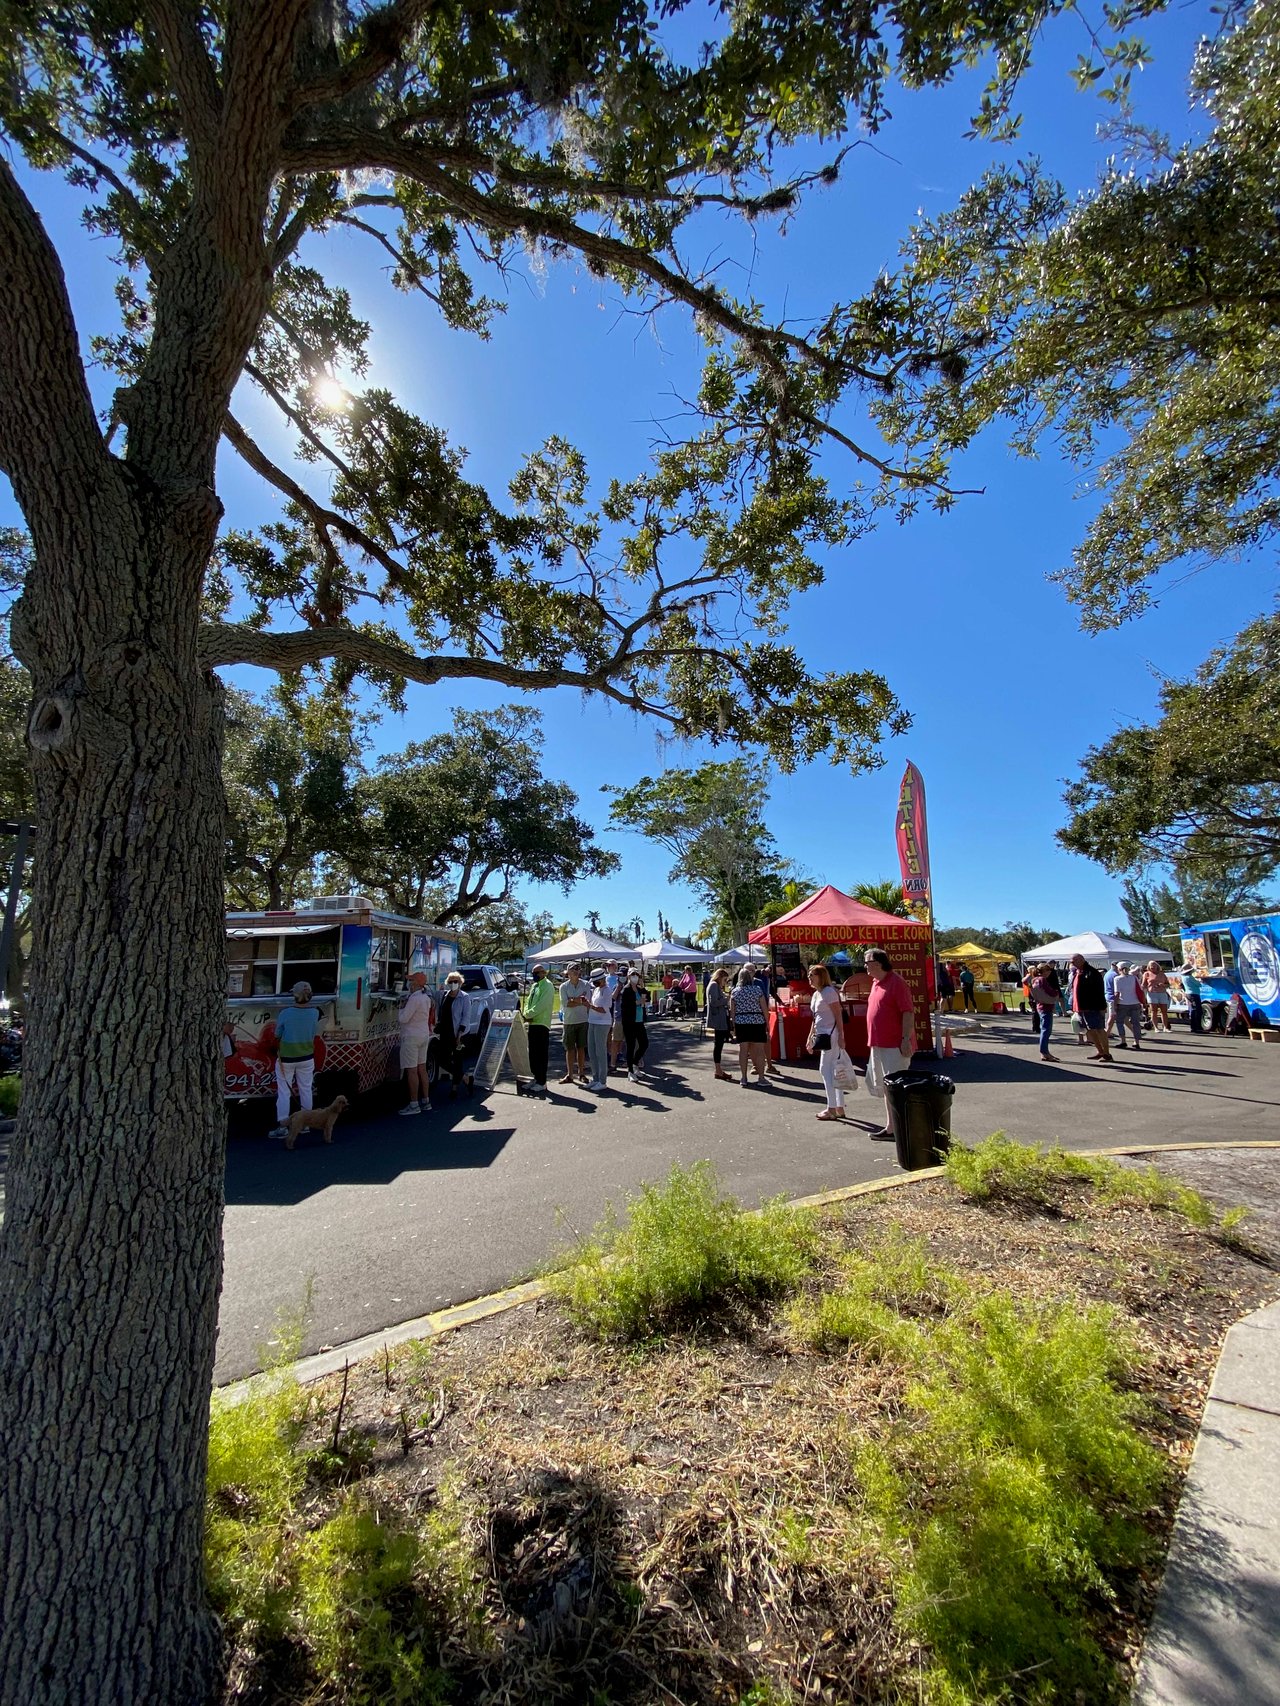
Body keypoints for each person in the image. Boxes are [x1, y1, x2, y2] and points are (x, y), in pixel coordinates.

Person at [863, 949, 916, 1140]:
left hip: (895, 1045)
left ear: (878, 963)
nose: (865, 966)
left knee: (897, 1086)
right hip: (878, 1044)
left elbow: (908, 1012)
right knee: (886, 1086)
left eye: (867, 962)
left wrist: (905, 1039)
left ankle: (903, 1128)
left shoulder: (897, 983)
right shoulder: (876, 983)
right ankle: (892, 1128)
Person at [268, 981, 323, 1138]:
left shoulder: (285, 1013)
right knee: (306, 1089)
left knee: (284, 1092)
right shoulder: (314, 1013)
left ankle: (283, 1126)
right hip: (307, 1056)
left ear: (294, 995)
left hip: (286, 1058)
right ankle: (305, 1123)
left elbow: (277, 1035)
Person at [808, 963, 846, 1121]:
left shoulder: (829, 992)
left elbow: (838, 1014)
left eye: (813, 975)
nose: (809, 977)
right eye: (809, 974)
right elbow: (815, 1017)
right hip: (822, 1033)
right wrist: (810, 1037)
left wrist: (842, 1035)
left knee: (826, 1069)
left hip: (831, 1033)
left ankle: (832, 1107)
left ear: (821, 976)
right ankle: (839, 1106)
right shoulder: (817, 994)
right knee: (833, 1069)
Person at [397, 970, 435, 1116]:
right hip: (423, 1034)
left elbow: (404, 1019)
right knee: (422, 1069)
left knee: (411, 1071)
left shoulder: (414, 999)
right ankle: (426, 1101)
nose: (409, 983)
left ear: (415, 983)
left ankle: (414, 1104)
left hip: (411, 1036)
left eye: (411, 980)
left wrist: (400, 1008)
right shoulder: (425, 997)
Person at [728, 965, 770, 1086]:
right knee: (760, 1050)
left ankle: (744, 1078)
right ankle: (761, 1078)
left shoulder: (735, 992)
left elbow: (732, 1011)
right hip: (757, 1021)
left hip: (741, 1022)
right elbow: (764, 1008)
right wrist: (767, 1023)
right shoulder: (757, 990)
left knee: (743, 1050)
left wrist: (734, 1026)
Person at [437, 971, 474, 1097]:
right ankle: (465, 1078)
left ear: (460, 983)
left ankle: (454, 1088)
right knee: (443, 1060)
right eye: (451, 981)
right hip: (445, 1032)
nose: (453, 984)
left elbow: (466, 1016)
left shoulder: (464, 997)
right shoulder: (444, 996)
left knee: (458, 1060)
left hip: (459, 1033)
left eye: (455, 981)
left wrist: (460, 1034)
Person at [1070, 954, 1113, 1063]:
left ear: (1082, 960)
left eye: (1074, 961)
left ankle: (1107, 1054)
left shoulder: (1091, 973)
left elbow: (1099, 991)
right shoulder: (1077, 972)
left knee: (1099, 1029)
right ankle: (1100, 1051)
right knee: (1089, 1030)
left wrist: (1102, 1007)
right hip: (1080, 1008)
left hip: (1092, 1007)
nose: (1072, 963)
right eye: (1072, 961)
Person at [521, 964, 555, 1095]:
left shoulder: (548, 986)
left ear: (543, 973)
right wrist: (525, 1013)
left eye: (537, 973)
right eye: (533, 973)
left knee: (541, 1054)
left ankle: (542, 1081)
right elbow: (528, 1002)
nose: (534, 975)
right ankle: (536, 1077)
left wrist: (528, 1015)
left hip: (542, 1023)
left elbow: (541, 1005)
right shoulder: (534, 986)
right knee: (533, 1053)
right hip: (532, 1024)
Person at [558, 962, 591, 1083]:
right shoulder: (564, 987)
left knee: (581, 1048)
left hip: (583, 1020)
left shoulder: (586, 984)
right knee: (570, 1048)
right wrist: (579, 1000)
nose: (576, 972)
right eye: (573, 970)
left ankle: (581, 1073)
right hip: (569, 1021)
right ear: (568, 973)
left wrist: (574, 999)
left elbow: (587, 1001)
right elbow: (566, 1003)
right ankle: (570, 1074)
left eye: (577, 970)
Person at [1027, 961, 1061, 1062]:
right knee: (1046, 1030)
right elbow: (1050, 991)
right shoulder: (1042, 980)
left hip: (1040, 1005)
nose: (1050, 972)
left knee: (1045, 1029)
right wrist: (1056, 992)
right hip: (1046, 1006)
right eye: (1048, 970)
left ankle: (1045, 1052)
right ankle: (1044, 1052)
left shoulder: (1034, 980)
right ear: (1044, 971)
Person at [585, 967, 613, 1090]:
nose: (595, 983)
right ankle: (595, 1078)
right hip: (592, 1020)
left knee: (600, 1051)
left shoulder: (607, 991)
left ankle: (602, 1080)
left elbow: (603, 1009)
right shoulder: (596, 989)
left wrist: (589, 1005)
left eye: (597, 980)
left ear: (602, 979)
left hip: (603, 1023)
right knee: (591, 1050)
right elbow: (594, 1006)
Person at [620, 969, 650, 1081]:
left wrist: (642, 987)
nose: (635, 977)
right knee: (631, 1046)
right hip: (629, 1022)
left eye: (637, 975)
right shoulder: (626, 990)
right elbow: (624, 1005)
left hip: (639, 1020)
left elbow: (648, 998)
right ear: (628, 976)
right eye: (633, 974)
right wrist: (636, 1003)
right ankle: (630, 1071)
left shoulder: (639, 989)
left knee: (644, 1043)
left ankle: (634, 1063)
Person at [706, 967, 733, 1080]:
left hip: (720, 1017)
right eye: (725, 980)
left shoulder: (714, 985)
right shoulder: (713, 985)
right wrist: (726, 999)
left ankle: (719, 1069)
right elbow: (714, 1002)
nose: (725, 982)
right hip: (718, 1018)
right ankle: (718, 1070)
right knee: (718, 1044)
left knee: (719, 1043)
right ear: (720, 977)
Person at [1112, 962, 1143, 1049]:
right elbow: (1139, 989)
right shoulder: (1134, 978)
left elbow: (1117, 993)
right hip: (1135, 1002)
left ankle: (1123, 1040)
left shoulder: (1117, 979)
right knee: (1136, 1023)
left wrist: (1115, 1004)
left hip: (1123, 1003)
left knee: (1119, 1022)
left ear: (1119, 969)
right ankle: (1136, 1042)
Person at [1142, 962, 1172, 1033]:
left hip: (1162, 993)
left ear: (1157, 966)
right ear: (1149, 967)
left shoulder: (1162, 974)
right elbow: (1143, 984)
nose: (1152, 967)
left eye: (1154, 966)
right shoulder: (1146, 974)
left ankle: (1165, 1027)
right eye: (1151, 966)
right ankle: (1156, 1027)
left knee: (1164, 1011)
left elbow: (1168, 984)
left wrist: (1163, 985)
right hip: (1152, 993)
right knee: (1153, 1011)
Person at [1181, 966, 1204, 1034]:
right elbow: (1199, 984)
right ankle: (1196, 1027)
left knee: (1193, 1010)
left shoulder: (1183, 977)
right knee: (1197, 1010)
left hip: (1188, 993)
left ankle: (1194, 1027)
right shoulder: (1189, 977)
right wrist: (1200, 981)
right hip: (1194, 994)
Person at [1103, 963, 1119, 1038]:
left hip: (1107, 995)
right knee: (1112, 1016)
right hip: (1113, 997)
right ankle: (1107, 1032)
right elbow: (1117, 988)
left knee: (1109, 1015)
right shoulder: (1115, 975)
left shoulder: (1107, 974)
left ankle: (1108, 1031)